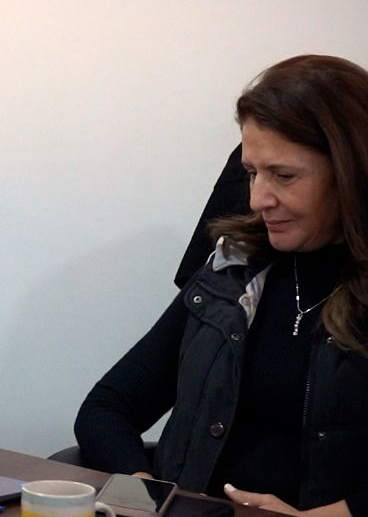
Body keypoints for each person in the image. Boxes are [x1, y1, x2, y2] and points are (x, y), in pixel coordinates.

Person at [75, 55, 368, 517]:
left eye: (284, 176)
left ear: (350, 172)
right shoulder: (234, 271)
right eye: (251, 172)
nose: (258, 198)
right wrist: (148, 498)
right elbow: (106, 408)